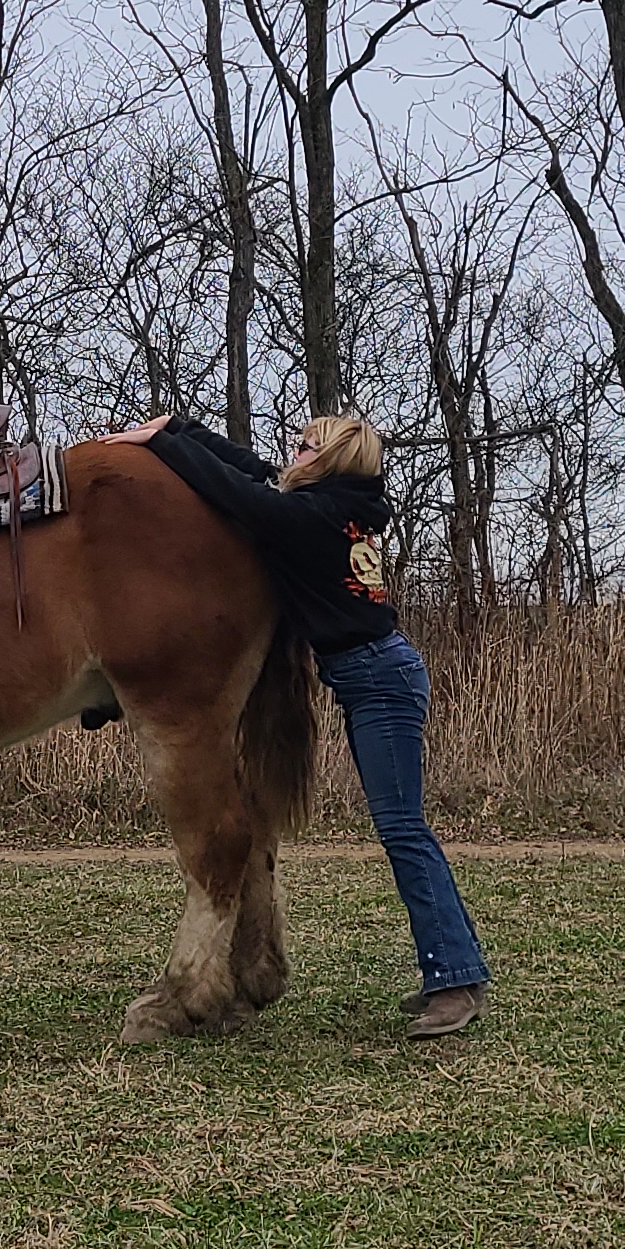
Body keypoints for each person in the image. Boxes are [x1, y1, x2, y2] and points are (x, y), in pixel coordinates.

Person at [100, 412, 490, 1038]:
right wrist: (181, 426)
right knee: (405, 829)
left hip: (379, 680)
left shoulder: (312, 518)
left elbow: (237, 493)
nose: (294, 451)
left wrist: (163, 445)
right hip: (376, 674)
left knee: (403, 830)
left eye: (308, 447)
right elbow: (253, 471)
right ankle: (459, 968)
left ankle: (456, 981)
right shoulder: (333, 508)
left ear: (329, 462)